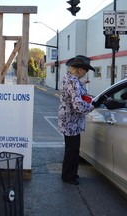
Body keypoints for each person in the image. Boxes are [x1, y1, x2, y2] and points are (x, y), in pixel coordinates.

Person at [58, 55, 95, 185]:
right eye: (85, 70)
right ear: (79, 69)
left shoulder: (68, 78)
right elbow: (78, 105)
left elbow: (72, 93)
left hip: (68, 119)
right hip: (71, 121)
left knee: (71, 149)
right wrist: (91, 107)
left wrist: (82, 84)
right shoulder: (73, 81)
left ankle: (70, 173)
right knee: (72, 150)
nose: (86, 72)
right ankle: (68, 176)